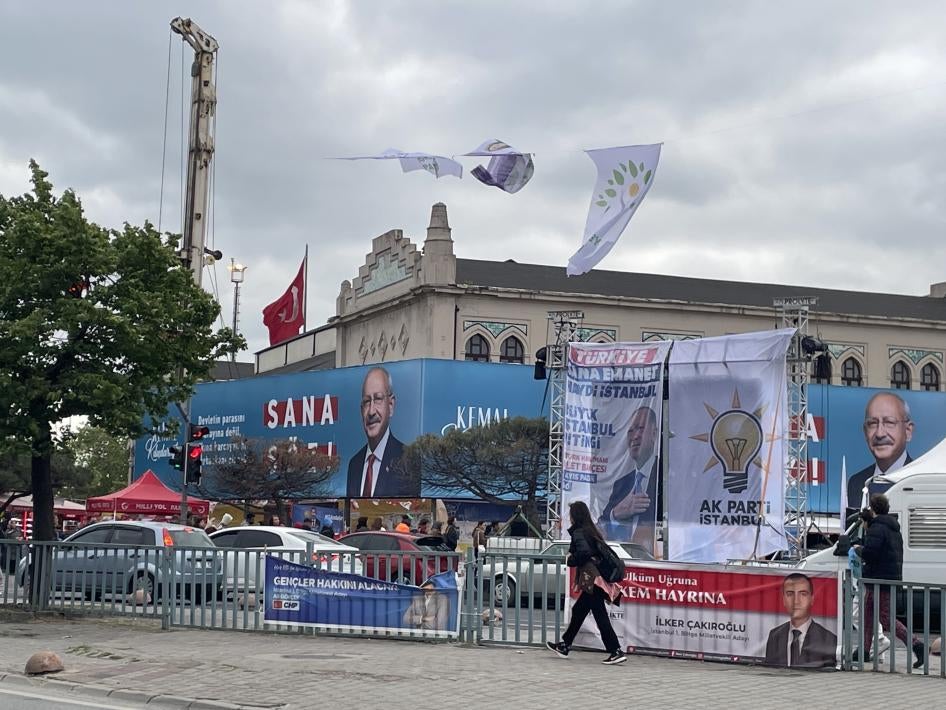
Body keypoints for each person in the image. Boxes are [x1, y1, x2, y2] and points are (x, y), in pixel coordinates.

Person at [546, 500, 626, 665]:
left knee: (599, 615)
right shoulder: (590, 530)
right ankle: (565, 645)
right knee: (579, 610)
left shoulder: (579, 532)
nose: (569, 517)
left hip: (593, 580)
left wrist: (570, 560)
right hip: (596, 579)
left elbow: (584, 552)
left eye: (571, 514)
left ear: (575, 516)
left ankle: (615, 650)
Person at [854, 494, 926, 668]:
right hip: (888, 578)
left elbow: (870, 553)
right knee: (868, 614)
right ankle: (863, 651)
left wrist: (858, 549)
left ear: (873, 509)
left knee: (885, 618)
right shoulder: (893, 528)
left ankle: (917, 645)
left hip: (878, 579)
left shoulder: (877, 528)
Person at [346, 367, 419, 497]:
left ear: (390, 405)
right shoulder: (354, 465)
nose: (371, 411)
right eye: (366, 402)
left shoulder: (408, 460)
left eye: (378, 399)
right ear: (361, 410)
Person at [597, 406, 660, 550]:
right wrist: (616, 513)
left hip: (655, 556)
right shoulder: (621, 484)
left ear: (654, 434)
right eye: (630, 431)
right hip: (623, 557)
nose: (635, 436)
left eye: (640, 429)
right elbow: (601, 525)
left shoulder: (665, 477)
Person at [846, 393, 914, 511]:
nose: (880, 434)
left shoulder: (922, 480)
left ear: (908, 431)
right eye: (872, 424)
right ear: (865, 432)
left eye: (889, 423)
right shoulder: (856, 483)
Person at [763, 573, 837, 668]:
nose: (796, 601)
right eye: (790, 594)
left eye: (803, 594)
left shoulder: (829, 639)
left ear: (812, 599)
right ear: (783, 600)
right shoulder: (774, 636)